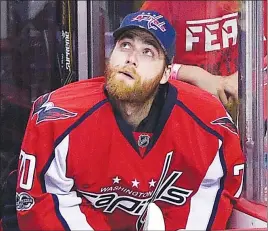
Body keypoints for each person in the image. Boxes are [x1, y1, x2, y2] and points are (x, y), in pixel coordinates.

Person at [4, 11, 245, 230]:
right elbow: (42, 203)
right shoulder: (58, 117)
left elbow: (213, 190)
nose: (131, 58)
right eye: (125, 45)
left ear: (165, 74)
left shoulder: (208, 124)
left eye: (147, 52)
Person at [141, 0, 267, 110]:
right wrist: (191, 74)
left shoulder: (255, 4)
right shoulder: (161, 4)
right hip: (186, 108)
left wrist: (246, 76)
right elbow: (138, 62)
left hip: (247, 106)